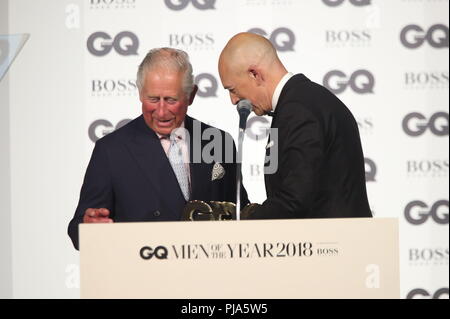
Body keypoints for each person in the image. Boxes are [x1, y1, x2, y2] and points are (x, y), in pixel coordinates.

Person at [68, 48, 249, 250]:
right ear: (140, 93)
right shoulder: (111, 151)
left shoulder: (218, 141)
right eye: (153, 99)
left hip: (207, 273)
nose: (161, 112)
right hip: (144, 274)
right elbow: (77, 230)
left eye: (171, 100)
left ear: (191, 95)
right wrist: (88, 227)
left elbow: (240, 214)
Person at [218, 32, 372, 219]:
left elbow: (294, 200)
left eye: (232, 89)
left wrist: (244, 223)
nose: (233, 100)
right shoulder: (304, 100)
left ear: (254, 74)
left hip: (332, 244)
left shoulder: (298, 110)